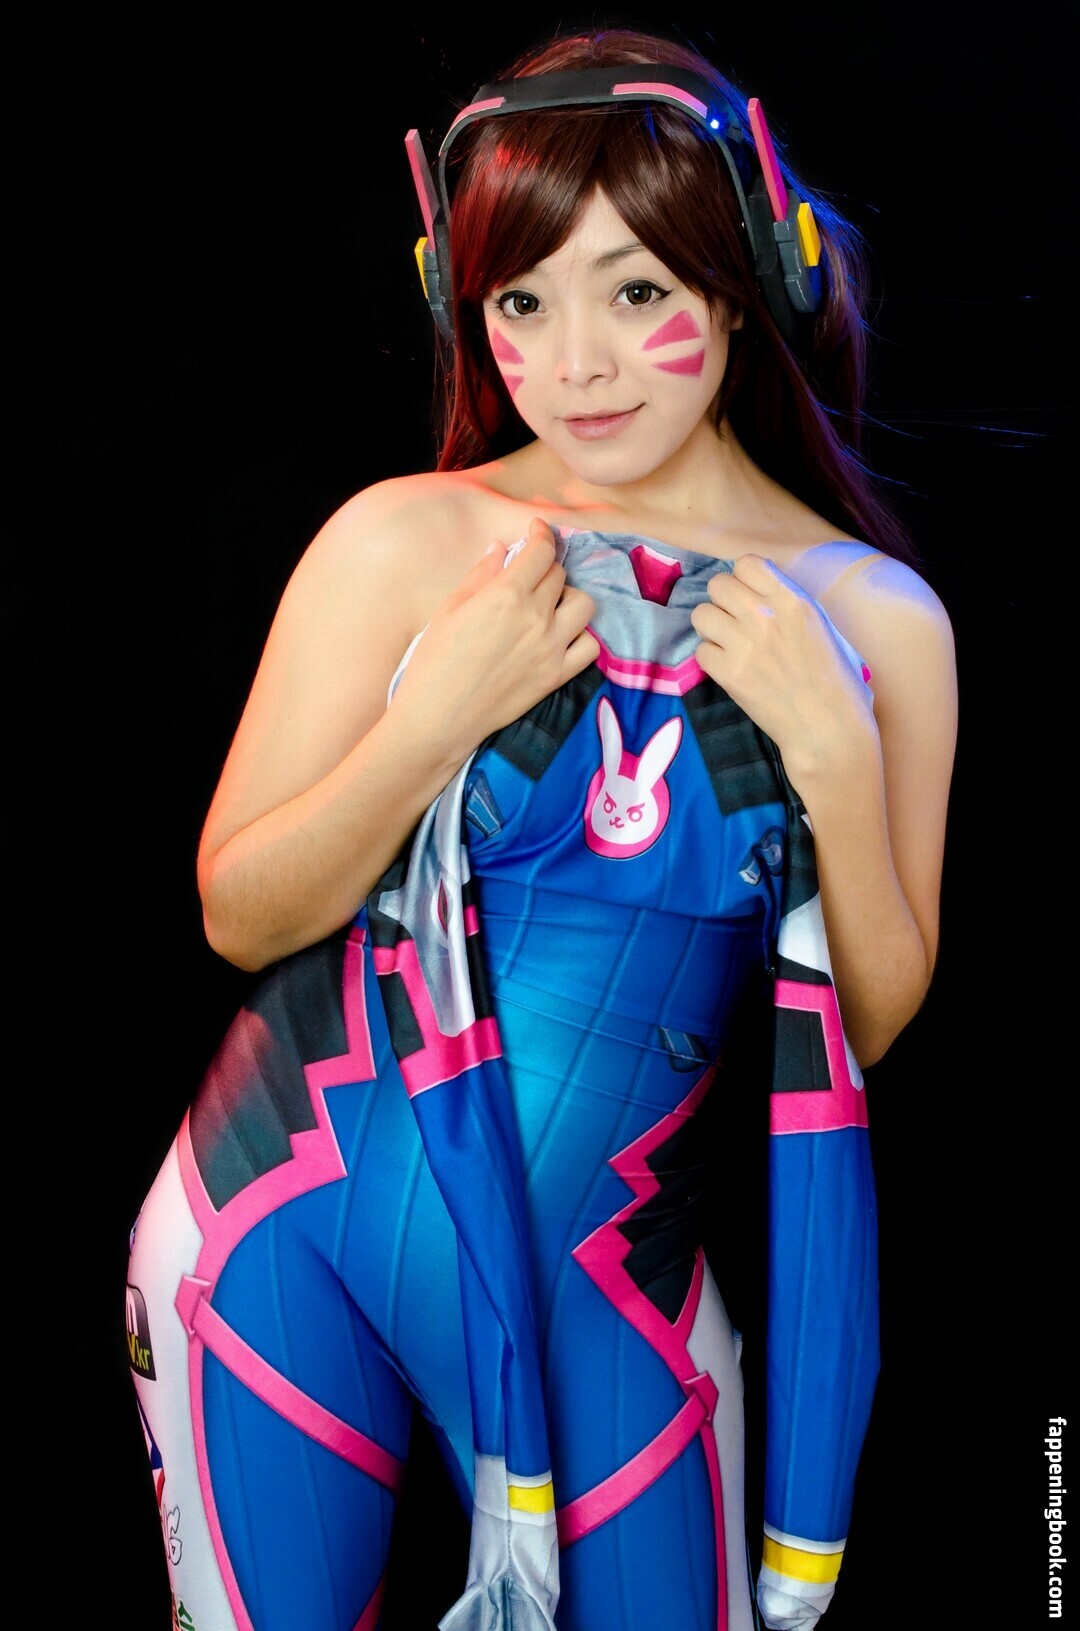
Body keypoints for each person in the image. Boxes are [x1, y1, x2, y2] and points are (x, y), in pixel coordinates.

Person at [125, 24, 957, 1631]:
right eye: (523, 303)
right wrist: (433, 721)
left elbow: (868, 1027)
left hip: (607, 1298)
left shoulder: (877, 620)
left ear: (746, 282)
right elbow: (241, 910)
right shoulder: (405, 539)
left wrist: (838, 762)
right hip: (275, 1241)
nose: (575, 363)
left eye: (635, 292)